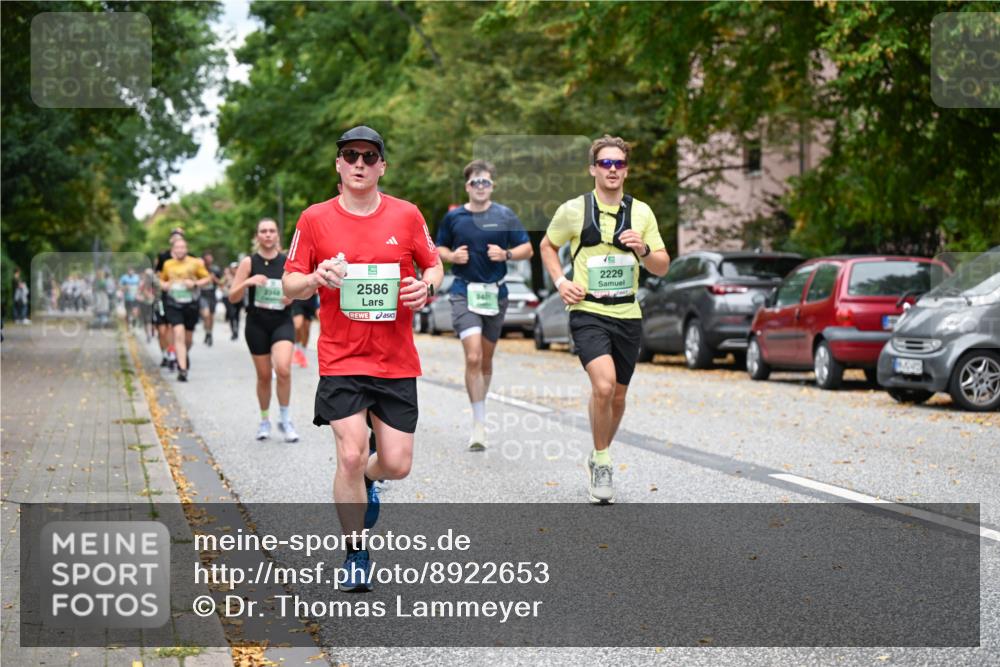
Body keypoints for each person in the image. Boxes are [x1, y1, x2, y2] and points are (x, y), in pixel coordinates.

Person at [283, 125, 443, 591]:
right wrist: (316, 276)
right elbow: (290, 285)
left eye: (369, 157)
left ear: (381, 167)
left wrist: (425, 286)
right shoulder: (314, 219)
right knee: (350, 454)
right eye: (350, 155)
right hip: (342, 358)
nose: (359, 163)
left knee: (395, 463)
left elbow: (433, 265)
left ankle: (373, 481)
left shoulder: (408, 215)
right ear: (338, 164)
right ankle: (355, 554)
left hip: (395, 359)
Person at [539, 135, 670, 504]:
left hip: (628, 313)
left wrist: (643, 249)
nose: (612, 170)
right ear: (593, 169)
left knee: (619, 395)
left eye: (619, 164)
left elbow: (662, 265)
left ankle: (598, 452)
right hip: (588, 311)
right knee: (603, 385)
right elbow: (547, 245)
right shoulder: (574, 210)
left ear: (626, 170)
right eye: (605, 164)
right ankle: (602, 460)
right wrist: (561, 281)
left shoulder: (642, 213)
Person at [435, 160, 533, 450]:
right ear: (467, 186)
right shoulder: (454, 218)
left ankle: (480, 407)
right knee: (474, 357)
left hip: (495, 294)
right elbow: (437, 248)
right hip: (464, 292)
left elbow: (527, 249)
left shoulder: (504, 215)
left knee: (486, 360)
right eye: (475, 182)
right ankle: (478, 424)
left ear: (492, 185)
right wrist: (452, 257)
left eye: (485, 182)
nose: (480, 187)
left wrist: (506, 254)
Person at [228, 219, 299, 442]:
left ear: (277, 236)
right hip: (257, 323)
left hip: (282, 321)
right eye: (263, 231)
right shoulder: (249, 262)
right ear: (257, 236)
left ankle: (286, 419)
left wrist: (292, 296)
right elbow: (233, 296)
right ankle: (265, 420)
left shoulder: (288, 262)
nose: (267, 235)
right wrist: (248, 282)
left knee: (284, 369)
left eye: (271, 231)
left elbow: (301, 289)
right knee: (264, 376)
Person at [160, 237, 211, 382]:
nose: (180, 250)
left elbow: (207, 279)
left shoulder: (195, 263)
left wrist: (194, 283)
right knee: (178, 333)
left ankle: (183, 354)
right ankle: (182, 369)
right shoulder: (168, 264)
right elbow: (162, 279)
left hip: (191, 304)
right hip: (174, 303)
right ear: (173, 250)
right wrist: (164, 285)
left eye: (183, 247)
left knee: (188, 339)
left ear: (186, 249)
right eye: (177, 248)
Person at [155, 228, 186, 369]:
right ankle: (167, 352)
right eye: (174, 237)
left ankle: (175, 353)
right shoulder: (163, 256)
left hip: (182, 299)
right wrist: (164, 284)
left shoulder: (189, 257)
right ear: (170, 240)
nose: (177, 240)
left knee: (175, 328)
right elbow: (157, 275)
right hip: (165, 296)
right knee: (162, 329)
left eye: (180, 237)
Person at [199, 252, 223, 346]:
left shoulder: (215, 269)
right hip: (202, 295)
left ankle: (209, 333)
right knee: (206, 314)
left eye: (210, 258)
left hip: (212, 295)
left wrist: (214, 279)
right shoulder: (199, 269)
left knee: (211, 316)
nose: (209, 260)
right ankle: (207, 331)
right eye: (207, 258)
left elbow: (221, 283)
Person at [290, 294, 319, 368]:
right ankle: (296, 350)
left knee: (306, 330)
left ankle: (302, 354)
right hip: (298, 297)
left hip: (311, 299)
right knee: (298, 325)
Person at [222, 263, 243, 341]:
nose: (235, 270)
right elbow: (221, 284)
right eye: (234, 268)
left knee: (237, 315)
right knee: (231, 314)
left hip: (239, 298)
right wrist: (226, 289)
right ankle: (233, 331)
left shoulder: (241, 276)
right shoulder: (227, 276)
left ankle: (236, 330)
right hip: (229, 298)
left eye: (237, 268)